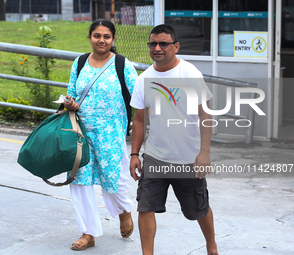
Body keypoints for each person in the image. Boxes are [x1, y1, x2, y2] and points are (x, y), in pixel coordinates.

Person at [129, 24, 219, 255]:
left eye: (163, 43)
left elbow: (205, 115)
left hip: (188, 159)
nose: (157, 48)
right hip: (155, 157)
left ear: (176, 46)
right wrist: (135, 154)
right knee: (145, 207)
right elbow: (139, 120)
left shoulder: (190, 74)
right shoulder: (144, 79)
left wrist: (204, 153)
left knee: (197, 210)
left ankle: (211, 246)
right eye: (153, 44)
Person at [63, 19, 138, 251]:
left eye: (106, 36)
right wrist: (70, 103)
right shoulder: (80, 62)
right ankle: (88, 232)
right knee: (79, 181)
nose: (101, 40)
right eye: (97, 35)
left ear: (113, 39)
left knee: (113, 180)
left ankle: (124, 211)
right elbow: (70, 93)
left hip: (111, 134)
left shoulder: (122, 65)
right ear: (90, 38)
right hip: (81, 132)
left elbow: (139, 97)